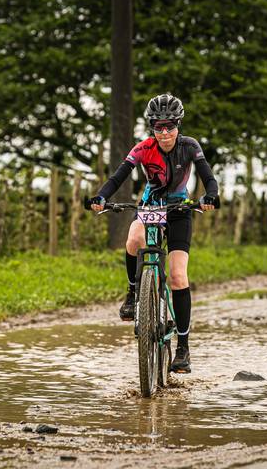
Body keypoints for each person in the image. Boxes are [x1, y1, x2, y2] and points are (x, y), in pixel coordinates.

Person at [87, 93, 219, 374]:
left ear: (178, 125)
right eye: (159, 127)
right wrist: (101, 197)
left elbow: (208, 176)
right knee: (133, 239)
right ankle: (133, 293)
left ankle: (183, 348)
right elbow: (118, 176)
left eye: (170, 126)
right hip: (150, 206)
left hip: (180, 209)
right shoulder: (143, 148)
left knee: (178, 276)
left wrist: (210, 195)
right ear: (152, 127)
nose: (165, 133)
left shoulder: (190, 146)